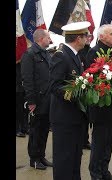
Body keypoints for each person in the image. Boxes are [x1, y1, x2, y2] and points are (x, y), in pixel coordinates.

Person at [49, 21, 90, 180]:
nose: (88, 38)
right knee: (64, 158)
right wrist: (77, 94)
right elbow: (55, 86)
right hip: (64, 117)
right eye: (86, 35)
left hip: (75, 116)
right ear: (78, 38)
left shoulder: (75, 55)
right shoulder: (61, 55)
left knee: (74, 157)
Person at [85, 24, 112, 180]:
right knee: (99, 142)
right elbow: (90, 78)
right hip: (100, 106)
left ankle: (105, 171)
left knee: (109, 141)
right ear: (102, 37)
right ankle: (96, 173)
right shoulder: (93, 52)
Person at [20, 28, 53, 170]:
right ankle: (34, 159)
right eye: (48, 38)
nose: (50, 40)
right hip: (37, 100)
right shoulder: (29, 54)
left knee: (44, 130)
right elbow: (27, 80)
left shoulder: (46, 54)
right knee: (35, 130)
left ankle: (41, 156)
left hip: (47, 98)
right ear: (40, 39)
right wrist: (31, 101)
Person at [78, 34, 93, 150]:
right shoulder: (80, 51)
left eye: (90, 36)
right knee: (81, 116)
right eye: (86, 36)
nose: (88, 38)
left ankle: (85, 139)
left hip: (89, 86)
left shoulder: (91, 51)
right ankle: (81, 139)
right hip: (79, 86)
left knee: (86, 116)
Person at [16, 63, 27, 137]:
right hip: (17, 88)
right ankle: (18, 129)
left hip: (24, 88)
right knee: (18, 109)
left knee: (24, 109)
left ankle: (24, 127)